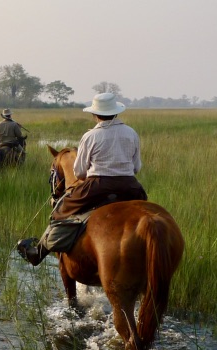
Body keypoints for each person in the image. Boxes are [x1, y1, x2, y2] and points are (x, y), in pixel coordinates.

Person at [17, 92, 148, 265]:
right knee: (146, 213)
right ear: (116, 112)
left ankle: (37, 253)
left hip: (98, 185)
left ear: (95, 114)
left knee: (60, 210)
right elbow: (137, 167)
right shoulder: (131, 133)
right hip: (131, 186)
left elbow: (79, 173)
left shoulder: (90, 136)